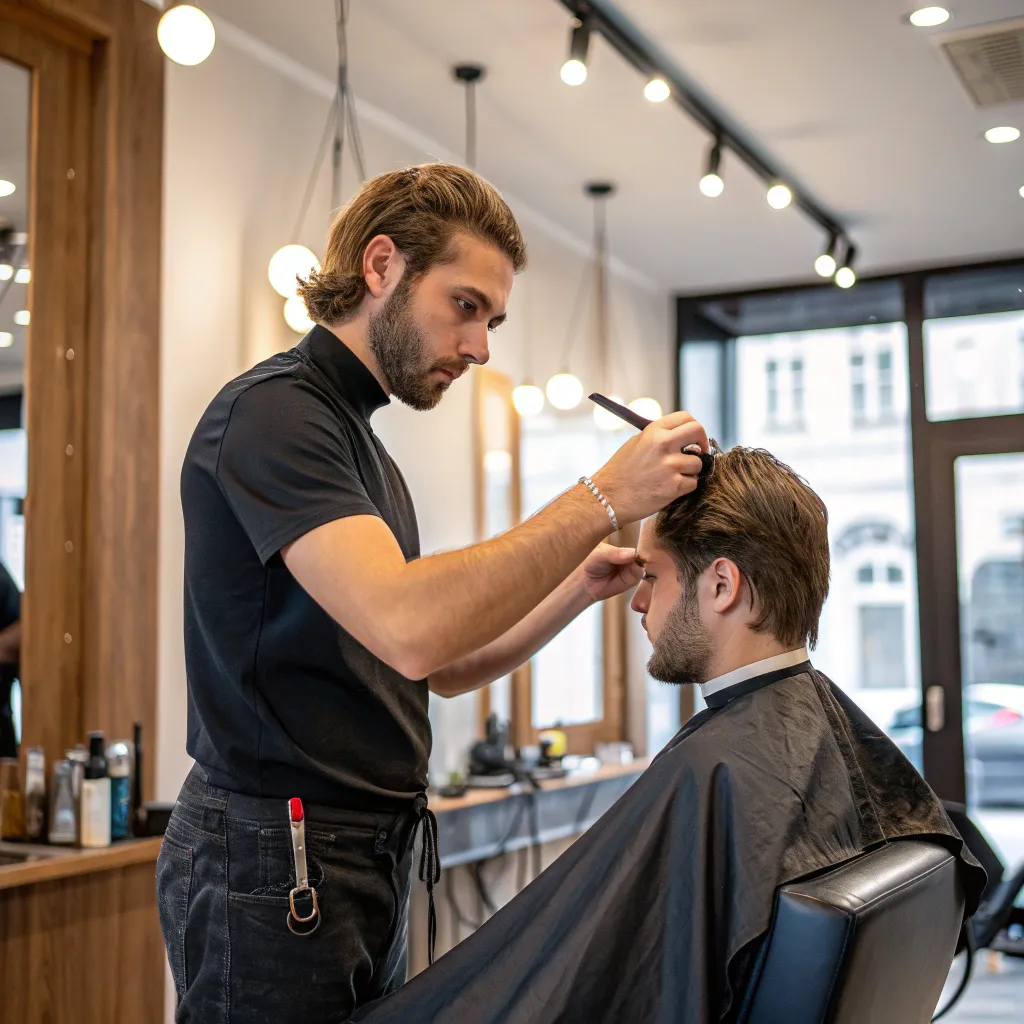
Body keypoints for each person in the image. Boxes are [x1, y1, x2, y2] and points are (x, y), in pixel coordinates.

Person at [156, 162, 711, 1023]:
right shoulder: (274, 415)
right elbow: (411, 624)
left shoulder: (367, 453)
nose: (481, 346)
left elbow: (437, 662)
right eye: (465, 306)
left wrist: (574, 588)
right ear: (382, 266)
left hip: (363, 849)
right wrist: (603, 496)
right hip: (276, 856)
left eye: (491, 320)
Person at [351, 446, 986, 1024]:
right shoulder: (823, 734)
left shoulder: (718, 770)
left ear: (721, 584)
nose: (635, 602)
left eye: (651, 576)